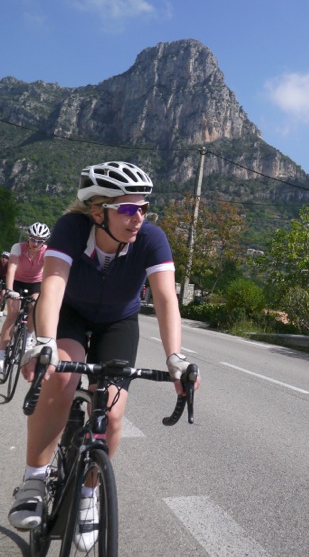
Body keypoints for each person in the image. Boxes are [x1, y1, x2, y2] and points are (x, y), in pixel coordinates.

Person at [8, 161, 199, 550]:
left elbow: (165, 300)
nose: (139, 218)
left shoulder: (151, 239)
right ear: (99, 212)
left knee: (111, 413)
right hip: (71, 315)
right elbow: (54, 285)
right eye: (128, 209)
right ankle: (34, 476)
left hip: (118, 322)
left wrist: (175, 356)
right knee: (61, 377)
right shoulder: (72, 230)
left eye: (144, 208)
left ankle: (89, 493)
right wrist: (44, 341)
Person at [0, 223, 50, 371]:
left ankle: (29, 336)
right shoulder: (18, 247)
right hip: (17, 282)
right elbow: (11, 269)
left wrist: (45, 293)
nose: (35, 243)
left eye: (40, 241)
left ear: (44, 242)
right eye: (33, 239)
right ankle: (1, 354)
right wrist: (9, 290)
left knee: (34, 307)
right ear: (28, 238)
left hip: (35, 283)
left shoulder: (47, 252)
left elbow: (48, 273)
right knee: (13, 314)